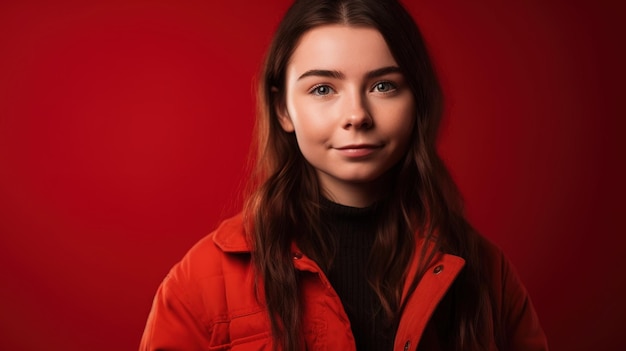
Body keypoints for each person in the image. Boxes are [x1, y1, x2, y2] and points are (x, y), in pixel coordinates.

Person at [139, 0, 548, 350]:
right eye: (322, 89)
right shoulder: (199, 283)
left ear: (417, 99)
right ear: (283, 110)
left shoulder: (484, 271)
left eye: (384, 86)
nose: (356, 115)